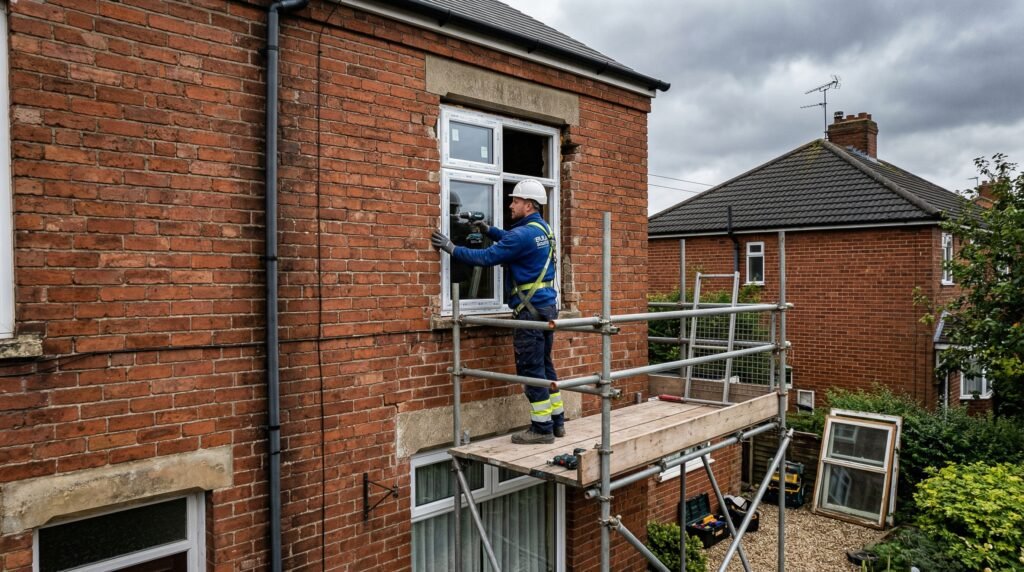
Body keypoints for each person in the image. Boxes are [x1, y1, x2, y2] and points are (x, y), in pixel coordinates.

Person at [431, 179, 564, 444]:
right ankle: (557, 422)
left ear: (528, 205)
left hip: (530, 311)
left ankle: (541, 429)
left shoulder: (522, 234)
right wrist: (489, 229)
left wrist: (451, 248)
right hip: (546, 307)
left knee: (530, 370)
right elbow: (513, 242)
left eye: (514, 201)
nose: (510, 204)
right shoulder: (542, 229)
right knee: (545, 366)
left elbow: (486, 258)